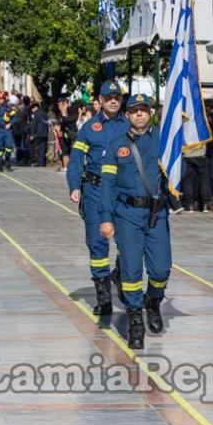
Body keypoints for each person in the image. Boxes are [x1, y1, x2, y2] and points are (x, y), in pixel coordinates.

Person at [100, 93, 171, 349]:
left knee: (161, 269)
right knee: (130, 272)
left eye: (144, 110)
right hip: (127, 215)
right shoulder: (116, 144)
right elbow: (106, 185)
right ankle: (135, 319)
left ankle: (153, 302)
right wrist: (105, 218)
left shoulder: (164, 140)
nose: (140, 114)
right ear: (127, 115)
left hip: (157, 214)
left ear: (151, 112)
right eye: (135, 110)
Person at [67, 81, 129, 316]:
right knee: (97, 242)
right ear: (100, 101)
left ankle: (122, 274)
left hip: (122, 191)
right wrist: (74, 185)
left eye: (117, 97)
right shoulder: (89, 128)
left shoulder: (130, 125)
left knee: (127, 240)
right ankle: (103, 295)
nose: (113, 100)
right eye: (109, 97)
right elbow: (76, 159)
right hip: (95, 190)